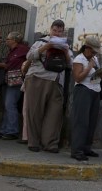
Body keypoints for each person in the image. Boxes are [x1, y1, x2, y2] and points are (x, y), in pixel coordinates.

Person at [24, 19, 73, 153]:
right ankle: (33, 142)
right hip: (37, 78)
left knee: (54, 114)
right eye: (55, 30)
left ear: (63, 32)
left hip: (56, 81)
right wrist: (46, 47)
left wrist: (66, 52)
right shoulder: (40, 42)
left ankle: (50, 143)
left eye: (60, 31)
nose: (57, 33)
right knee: (34, 112)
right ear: (50, 30)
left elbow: (70, 65)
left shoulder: (65, 45)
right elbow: (29, 56)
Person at [70, 36, 102, 161]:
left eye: (95, 52)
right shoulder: (79, 59)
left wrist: (101, 71)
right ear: (87, 48)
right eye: (93, 51)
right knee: (81, 121)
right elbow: (78, 78)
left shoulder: (94, 59)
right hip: (83, 90)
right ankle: (77, 150)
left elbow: (96, 75)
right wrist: (89, 67)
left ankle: (86, 148)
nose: (94, 54)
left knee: (91, 121)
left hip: (95, 90)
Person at [0, 31, 29, 140]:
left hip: (16, 79)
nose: (6, 41)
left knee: (10, 104)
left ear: (14, 40)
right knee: (7, 105)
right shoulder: (11, 51)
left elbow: (29, 60)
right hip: (8, 79)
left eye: (8, 39)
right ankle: (5, 129)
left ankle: (12, 130)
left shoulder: (23, 49)